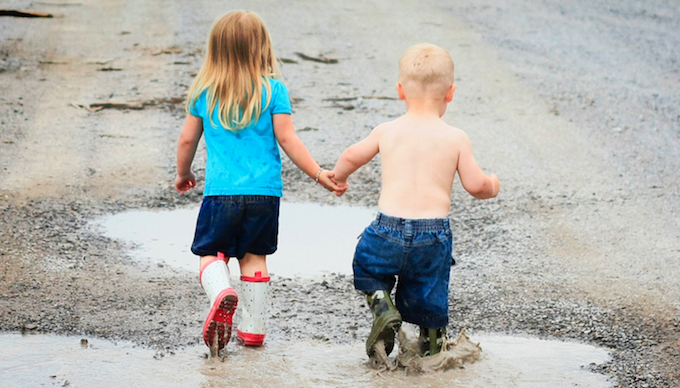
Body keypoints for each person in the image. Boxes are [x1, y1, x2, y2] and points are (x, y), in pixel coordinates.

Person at [175, 10, 345, 355]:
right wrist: (318, 173)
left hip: (221, 194)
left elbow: (186, 141)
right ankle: (253, 329)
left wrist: (184, 173)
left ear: (216, 50)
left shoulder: (203, 92)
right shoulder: (274, 90)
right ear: (261, 48)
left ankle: (221, 290)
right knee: (254, 258)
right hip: (264, 195)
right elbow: (289, 140)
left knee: (210, 253)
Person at [331, 43, 500, 358]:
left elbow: (352, 155)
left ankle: (383, 308)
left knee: (367, 266)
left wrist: (338, 177)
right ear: (450, 93)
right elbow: (476, 185)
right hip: (432, 236)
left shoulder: (387, 130)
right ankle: (432, 357)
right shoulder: (455, 137)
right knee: (430, 298)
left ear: (400, 90)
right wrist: (493, 184)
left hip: (386, 230)